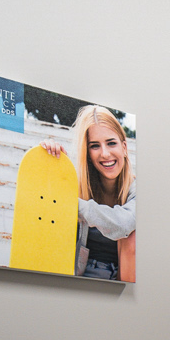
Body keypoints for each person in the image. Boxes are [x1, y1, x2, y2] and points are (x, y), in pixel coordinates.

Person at [41, 105, 135, 280]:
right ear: (87, 153)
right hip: (81, 275)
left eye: (111, 143)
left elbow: (124, 225)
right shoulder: (77, 185)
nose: (105, 154)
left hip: (127, 281)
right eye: (95, 146)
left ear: (124, 147)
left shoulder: (138, 189)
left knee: (133, 235)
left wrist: (74, 205)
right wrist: (49, 161)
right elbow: (46, 204)